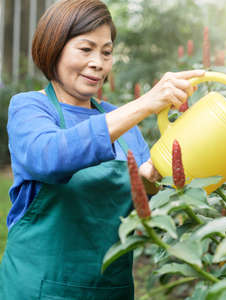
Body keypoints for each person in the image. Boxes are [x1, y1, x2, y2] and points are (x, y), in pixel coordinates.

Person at [0, 0, 204, 299]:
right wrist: (146, 103)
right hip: (39, 288)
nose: (98, 62)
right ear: (54, 47)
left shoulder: (123, 123)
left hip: (110, 289)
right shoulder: (30, 107)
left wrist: (153, 177)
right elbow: (50, 156)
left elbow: (145, 197)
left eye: (106, 52)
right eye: (86, 49)